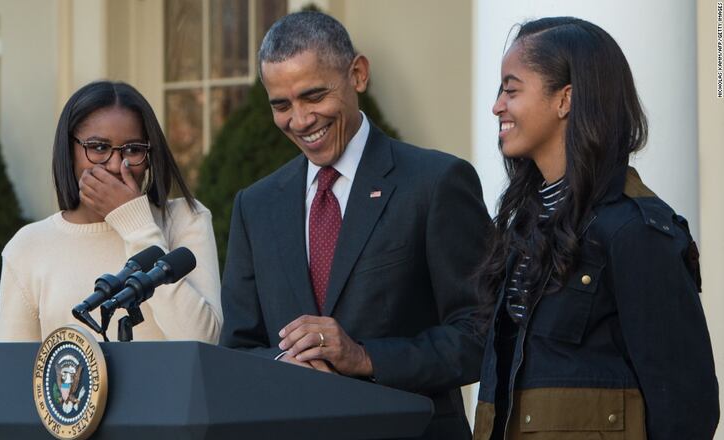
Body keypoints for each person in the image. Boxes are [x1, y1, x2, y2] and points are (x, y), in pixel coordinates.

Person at [219, 11, 490, 439]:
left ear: (358, 74)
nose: (301, 119)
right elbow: (237, 351)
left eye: (313, 96)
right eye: (282, 105)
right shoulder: (255, 205)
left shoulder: (436, 183)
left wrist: (365, 357)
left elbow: (482, 335)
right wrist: (279, 365)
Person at [473, 17, 719, 439]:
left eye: (511, 90)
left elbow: (686, 408)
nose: (497, 106)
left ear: (565, 99)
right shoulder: (525, 228)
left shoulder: (634, 231)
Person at [0, 81, 222, 343]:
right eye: (99, 147)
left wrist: (135, 225)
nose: (117, 165)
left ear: (149, 156)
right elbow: (15, 371)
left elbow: (203, 341)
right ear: (69, 152)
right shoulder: (28, 246)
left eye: (134, 149)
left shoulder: (186, 219)